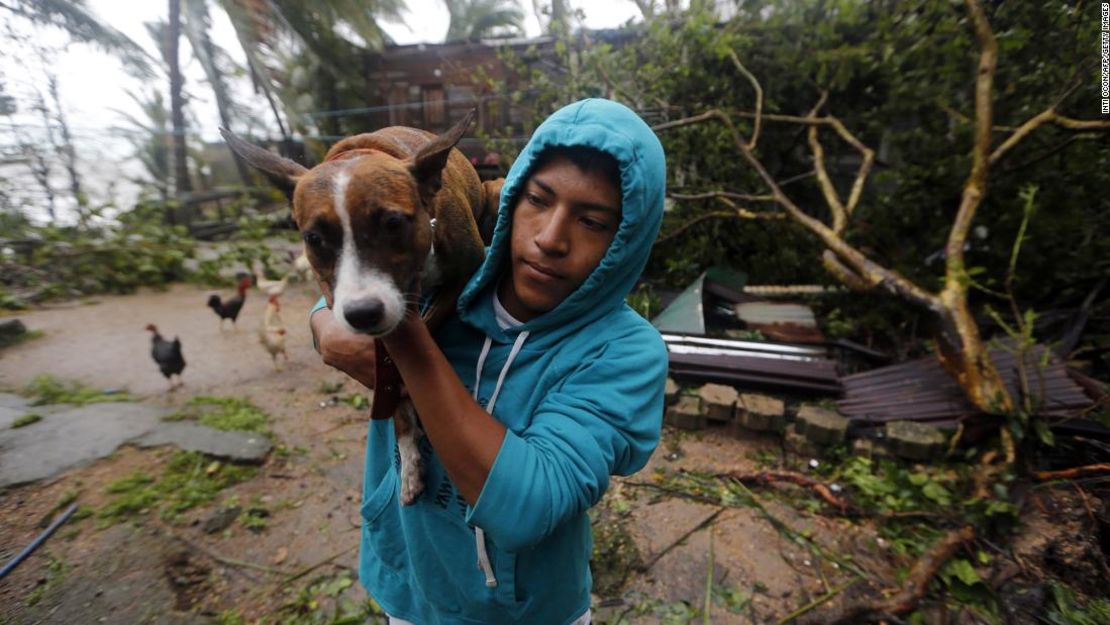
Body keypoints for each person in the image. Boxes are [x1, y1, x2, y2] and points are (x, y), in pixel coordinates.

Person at [310, 98, 668, 625]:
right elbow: (349, 266)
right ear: (509, 198)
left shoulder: (625, 354)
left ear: (627, 240)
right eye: (538, 200)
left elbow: (525, 508)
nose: (550, 239)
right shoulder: (452, 279)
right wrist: (322, 321)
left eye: (591, 221)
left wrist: (398, 329)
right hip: (408, 593)